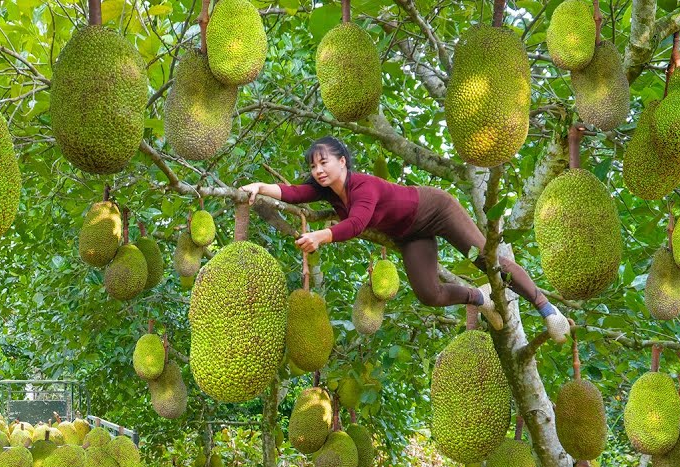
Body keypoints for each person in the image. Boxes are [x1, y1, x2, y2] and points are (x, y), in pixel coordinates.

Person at [240, 136, 570, 342]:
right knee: (429, 293)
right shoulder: (326, 192)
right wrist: (258, 187)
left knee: (485, 259)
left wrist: (322, 236)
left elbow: (356, 224)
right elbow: (292, 193)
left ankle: (546, 308)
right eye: (313, 167)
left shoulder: (362, 186)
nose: (318, 171)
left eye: (323, 162)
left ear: (342, 161)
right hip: (411, 235)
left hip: (437, 210)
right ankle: (478, 297)